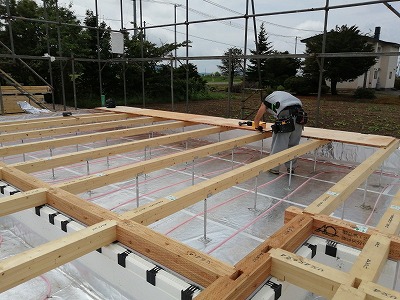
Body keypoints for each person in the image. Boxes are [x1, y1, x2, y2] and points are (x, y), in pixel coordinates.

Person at [253, 91, 305, 174]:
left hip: (286, 115)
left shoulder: (267, 100)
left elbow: (259, 114)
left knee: (279, 143)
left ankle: (274, 168)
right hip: (300, 115)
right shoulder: (279, 95)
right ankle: (291, 168)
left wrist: (256, 126)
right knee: (293, 144)